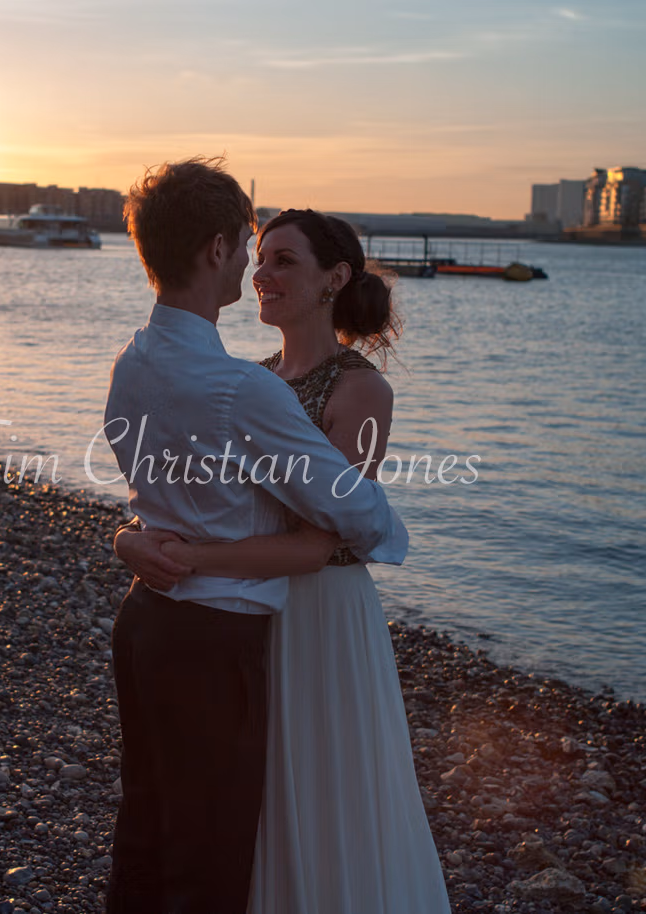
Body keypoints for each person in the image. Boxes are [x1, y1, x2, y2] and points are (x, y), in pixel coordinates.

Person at [116, 209, 450, 913]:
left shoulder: (360, 392)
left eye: (284, 262)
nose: (261, 274)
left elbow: (317, 543)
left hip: (320, 614)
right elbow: (183, 496)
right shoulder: (249, 381)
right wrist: (131, 537)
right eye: (259, 258)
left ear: (336, 279)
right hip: (243, 609)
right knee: (244, 805)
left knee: (322, 789)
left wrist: (186, 557)